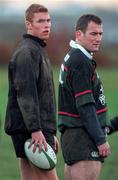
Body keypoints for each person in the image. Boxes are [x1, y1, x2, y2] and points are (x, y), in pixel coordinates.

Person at [4, 3, 59, 180]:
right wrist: (36, 130)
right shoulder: (27, 52)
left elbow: (43, 94)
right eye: (41, 21)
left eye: (49, 20)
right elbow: (26, 95)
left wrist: (50, 131)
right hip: (32, 130)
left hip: (35, 129)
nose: (47, 25)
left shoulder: (37, 49)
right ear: (29, 24)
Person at [58, 14, 112, 180]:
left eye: (100, 34)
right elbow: (85, 106)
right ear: (79, 34)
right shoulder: (80, 62)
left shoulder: (77, 57)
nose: (98, 38)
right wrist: (100, 139)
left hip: (75, 137)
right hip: (83, 138)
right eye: (93, 34)